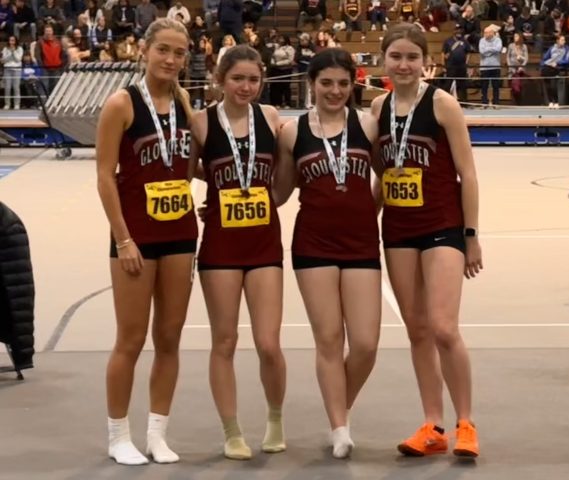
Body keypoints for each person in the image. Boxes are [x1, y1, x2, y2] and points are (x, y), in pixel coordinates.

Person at [370, 24, 482, 458]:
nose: (403, 65)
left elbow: (467, 173)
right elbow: (386, 174)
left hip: (443, 225)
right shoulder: (377, 108)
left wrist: (471, 235)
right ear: (384, 60)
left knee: (443, 327)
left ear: (425, 62)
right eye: (396, 56)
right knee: (417, 330)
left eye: (411, 57)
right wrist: (366, 219)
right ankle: (432, 424)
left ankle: (466, 423)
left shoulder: (442, 103)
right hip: (398, 230)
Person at [95, 17, 197, 466]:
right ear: (144, 50)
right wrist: (123, 239)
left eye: (179, 53)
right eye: (164, 50)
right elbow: (103, 176)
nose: (171, 60)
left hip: (180, 234)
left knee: (170, 337)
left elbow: (187, 164)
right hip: (136, 237)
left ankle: (158, 432)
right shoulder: (121, 104)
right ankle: (119, 434)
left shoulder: (185, 102)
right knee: (131, 340)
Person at [274, 48, 381, 459]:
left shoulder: (368, 126)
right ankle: (340, 426)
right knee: (330, 339)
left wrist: (363, 213)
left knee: (367, 343)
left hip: (360, 244)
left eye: (342, 83)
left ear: (353, 84)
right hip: (313, 244)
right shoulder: (291, 133)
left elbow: (387, 178)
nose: (335, 91)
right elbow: (281, 193)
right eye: (326, 83)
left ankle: (339, 404)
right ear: (311, 84)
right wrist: (223, 193)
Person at [187, 44, 286, 461]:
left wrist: (264, 198)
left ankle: (276, 418)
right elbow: (189, 166)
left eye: (253, 79)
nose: (246, 87)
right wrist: (221, 192)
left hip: (264, 242)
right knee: (224, 340)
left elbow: (282, 174)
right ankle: (232, 431)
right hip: (221, 245)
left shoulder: (271, 118)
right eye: (237, 78)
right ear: (220, 79)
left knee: (268, 342)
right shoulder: (201, 122)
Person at [541, 34, 569, 109]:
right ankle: (550, 102)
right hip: (548, 66)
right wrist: (543, 64)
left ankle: (556, 102)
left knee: (553, 86)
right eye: (562, 40)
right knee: (547, 85)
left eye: (564, 40)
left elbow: (567, 60)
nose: (564, 42)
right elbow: (545, 57)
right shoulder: (552, 48)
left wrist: (557, 63)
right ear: (557, 41)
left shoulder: (566, 49)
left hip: (557, 67)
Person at [1, 35, 23, 110]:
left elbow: (18, 59)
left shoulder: (20, 49)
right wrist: (10, 53)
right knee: (7, 87)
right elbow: (4, 60)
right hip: (7, 69)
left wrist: (13, 52)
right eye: (10, 40)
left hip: (17, 70)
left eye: (13, 40)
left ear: (16, 41)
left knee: (16, 87)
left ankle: (17, 104)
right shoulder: (5, 49)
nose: (11, 42)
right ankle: (7, 104)